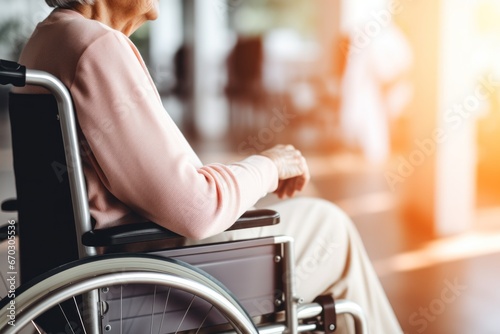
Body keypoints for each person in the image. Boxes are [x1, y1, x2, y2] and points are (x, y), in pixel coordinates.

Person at [14, 0, 403, 332]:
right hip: (141, 284)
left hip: (74, 284)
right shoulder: (97, 47)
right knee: (330, 226)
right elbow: (197, 208)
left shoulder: (46, 41)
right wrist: (270, 165)